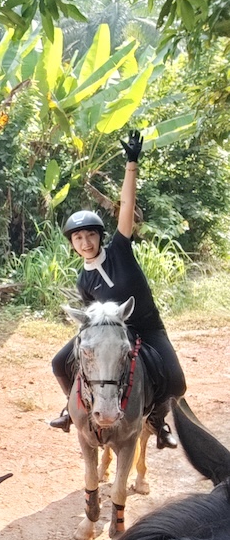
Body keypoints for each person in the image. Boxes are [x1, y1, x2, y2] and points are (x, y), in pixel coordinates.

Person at [49, 130, 184, 449]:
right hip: (109, 332)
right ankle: (72, 410)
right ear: (72, 244)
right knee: (59, 363)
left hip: (147, 328)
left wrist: (131, 163)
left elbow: (127, 204)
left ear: (99, 236)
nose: (85, 242)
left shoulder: (120, 248)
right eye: (77, 238)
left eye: (90, 235)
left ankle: (157, 422)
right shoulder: (85, 280)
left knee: (177, 382)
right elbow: (90, 322)